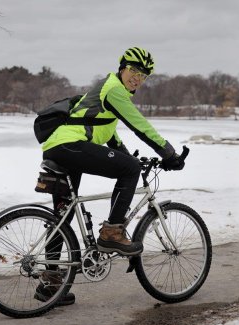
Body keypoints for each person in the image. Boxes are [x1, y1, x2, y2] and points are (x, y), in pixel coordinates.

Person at [37, 47, 187, 306]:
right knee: (129, 170)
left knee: (62, 217)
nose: (137, 78)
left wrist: (130, 156)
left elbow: (111, 137)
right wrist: (168, 153)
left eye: (144, 75)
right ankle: (112, 234)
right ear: (122, 68)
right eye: (134, 71)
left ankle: (49, 286)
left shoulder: (105, 95)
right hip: (70, 146)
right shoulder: (114, 89)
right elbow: (140, 125)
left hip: (60, 147)